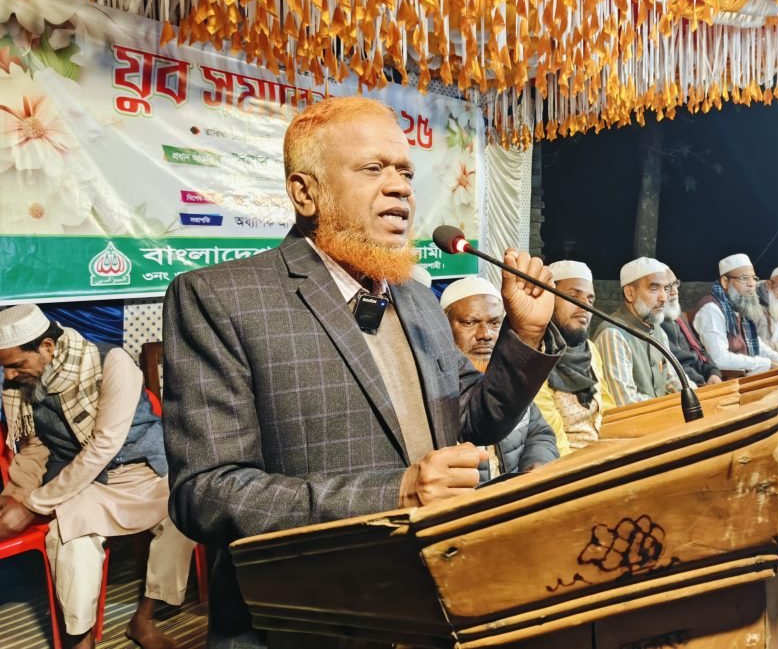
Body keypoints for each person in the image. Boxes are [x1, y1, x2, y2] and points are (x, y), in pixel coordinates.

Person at [163, 96, 562, 649]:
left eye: (405, 172)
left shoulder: (418, 300)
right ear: (306, 192)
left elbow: (475, 417)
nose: (399, 188)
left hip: (434, 602)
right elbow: (206, 494)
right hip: (309, 625)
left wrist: (525, 335)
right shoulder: (220, 298)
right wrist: (393, 494)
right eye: (373, 169)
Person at [0, 305, 195, 649]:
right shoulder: (19, 383)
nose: (10, 375)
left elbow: (103, 446)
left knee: (184, 513)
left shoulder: (112, 363)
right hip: (83, 479)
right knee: (68, 538)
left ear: (47, 347)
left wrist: (32, 505)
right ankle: (81, 640)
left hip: (143, 468)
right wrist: (15, 495)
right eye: (5, 368)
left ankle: (144, 620)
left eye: (16, 364)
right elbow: (33, 447)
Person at [440, 277, 559, 478]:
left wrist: (536, 465)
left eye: (494, 323)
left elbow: (539, 434)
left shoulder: (510, 381)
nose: (485, 334)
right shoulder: (436, 390)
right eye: (470, 323)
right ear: (443, 327)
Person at [533, 260, 617, 454]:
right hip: (567, 463)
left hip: (604, 454)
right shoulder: (536, 354)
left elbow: (608, 410)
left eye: (590, 300)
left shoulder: (589, 350)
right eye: (573, 296)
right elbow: (551, 436)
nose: (584, 306)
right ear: (549, 299)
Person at [592, 257, 682, 405]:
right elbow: (624, 402)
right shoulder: (613, 334)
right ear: (630, 293)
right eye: (654, 289)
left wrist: (697, 397)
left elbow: (671, 379)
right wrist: (670, 408)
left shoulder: (658, 332)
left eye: (665, 289)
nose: (663, 298)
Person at [692, 254, 778, 376]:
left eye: (753, 278)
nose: (752, 284)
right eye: (744, 278)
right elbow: (719, 359)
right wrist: (769, 364)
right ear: (725, 282)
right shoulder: (711, 309)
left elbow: (759, 347)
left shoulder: (738, 307)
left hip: (744, 377)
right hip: (726, 382)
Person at [661, 267, 722, 387]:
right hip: (689, 386)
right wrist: (700, 384)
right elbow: (673, 367)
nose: (675, 292)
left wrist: (712, 372)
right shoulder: (654, 325)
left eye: (675, 284)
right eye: (667, 287)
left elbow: (700, 350)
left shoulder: (678, 317)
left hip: (704, 382)